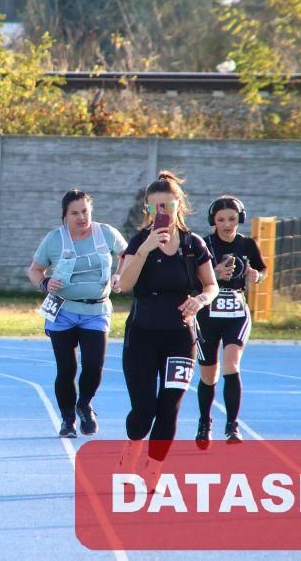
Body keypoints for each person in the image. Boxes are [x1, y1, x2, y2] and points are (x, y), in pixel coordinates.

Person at [117, 171, 218, 463]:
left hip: (180, 337)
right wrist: (145, 249)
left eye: (168, 205)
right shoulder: (139, 242)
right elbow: (125, 285)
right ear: (148, 209)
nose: (163, 211)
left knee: (169, 407)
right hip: (142, 335)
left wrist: (200, 300)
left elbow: (211, 286)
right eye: (156, 206)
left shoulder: (193, 244)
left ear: (179, 205)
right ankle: (132, 448)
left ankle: (154, 469)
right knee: (144, 410)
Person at [27, 190, 127, 439]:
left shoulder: (106, 233)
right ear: (65, 216)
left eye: (85, 211)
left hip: (96, 311)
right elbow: (35, 270)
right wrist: (45, 283)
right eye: (74, 213)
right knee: (66, 368)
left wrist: (119, 275)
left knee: (94, 365)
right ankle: (67, 419)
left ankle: (84, 404)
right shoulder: (54, 239)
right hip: (63, 311)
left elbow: (128, 255)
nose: (81, 217)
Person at [194, 195, 267, 447]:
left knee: (231, 365)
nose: (227, 224)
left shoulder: (247, 244)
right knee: (208, 374)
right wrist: (213, 274)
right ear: (213, 221)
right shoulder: (203, 245)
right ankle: (205, 422)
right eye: (221, 219)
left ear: (240, 219)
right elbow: (190, 277)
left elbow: (263, 270)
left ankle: (232, 425)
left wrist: (256, 276)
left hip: (236, 313)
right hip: (207, 315)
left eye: (232, 219)